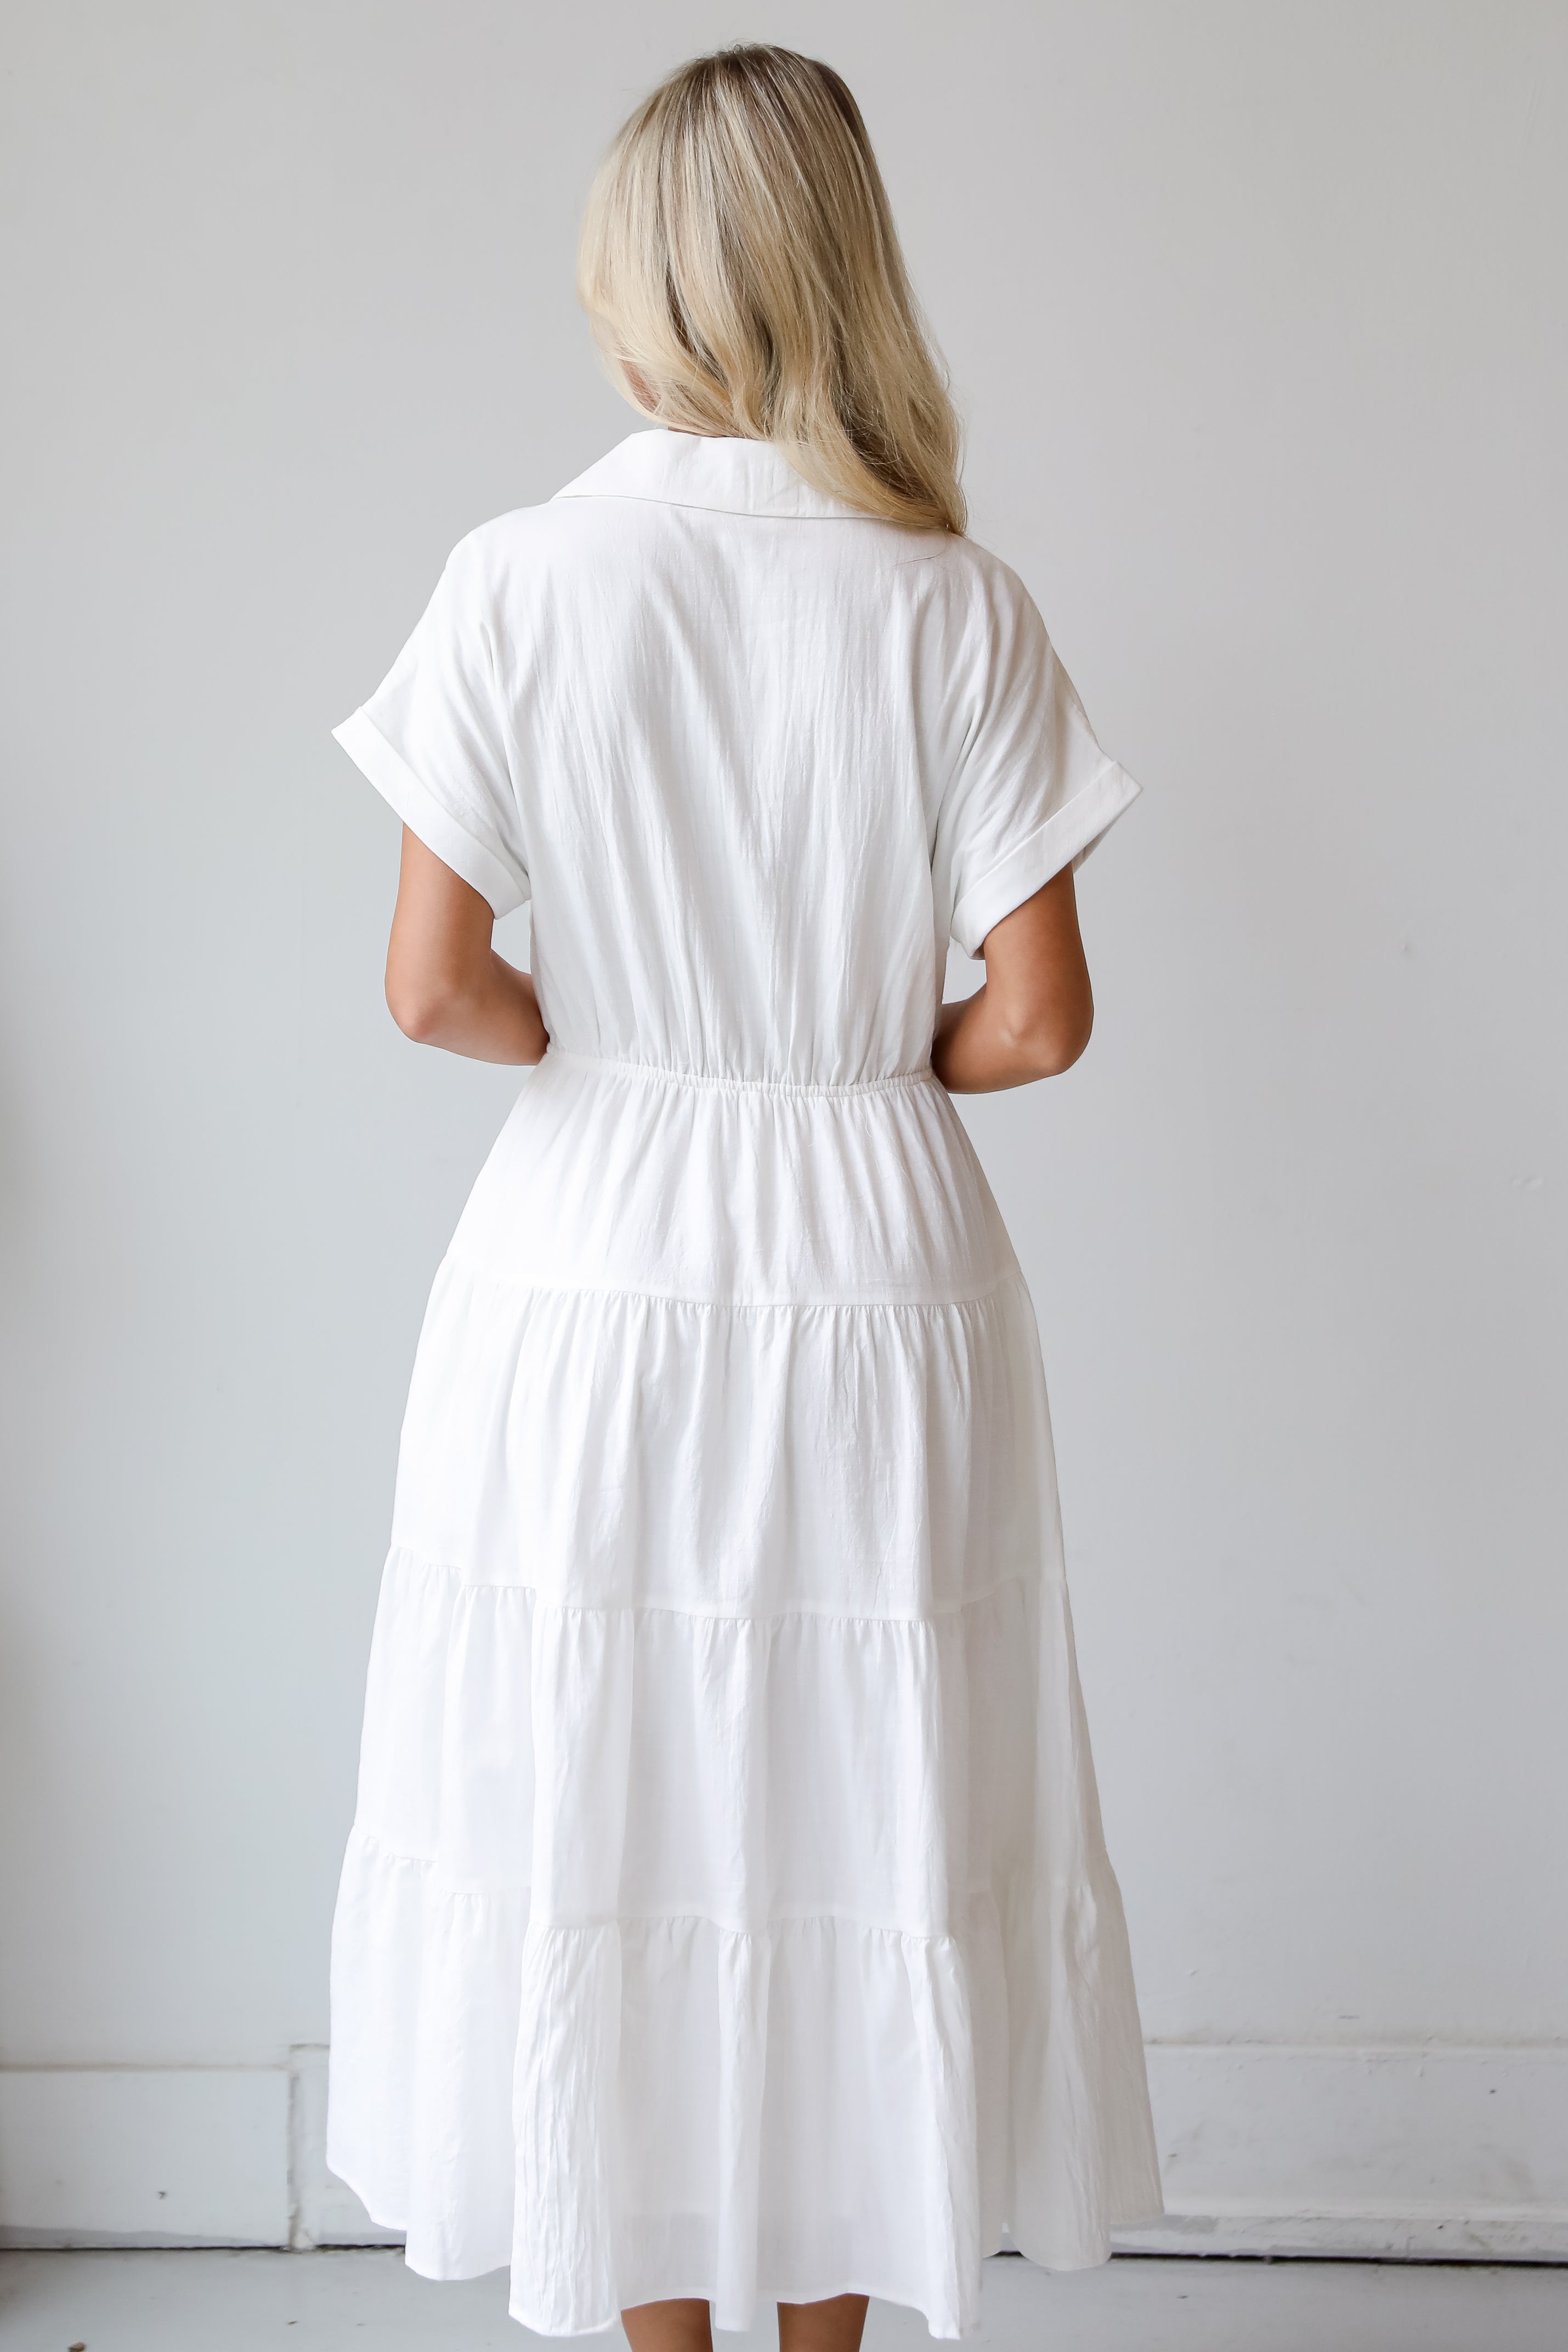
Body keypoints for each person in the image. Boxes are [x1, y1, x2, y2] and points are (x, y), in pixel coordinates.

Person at [325, 42, 1162, 2351]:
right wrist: (855, 1060)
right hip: (877, 1249)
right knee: (858, 1814)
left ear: (634, 285)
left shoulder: (516, 578)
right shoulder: (952, 600)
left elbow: (431, 988)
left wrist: (615, 1046)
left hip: (591, 1249)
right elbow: (1040, 1022)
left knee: (608, 1801)